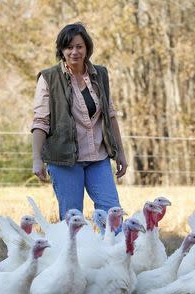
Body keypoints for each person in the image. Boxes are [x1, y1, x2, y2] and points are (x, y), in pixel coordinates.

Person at [31, 22, 128, 221]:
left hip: (98, 158)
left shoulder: (100, 74)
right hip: (65, 160)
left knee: (113, 214)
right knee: (72, 219)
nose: (74, 52)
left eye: (79, 46)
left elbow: (110, 115)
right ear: (61, 50)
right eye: (69, 47)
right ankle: (74, 252)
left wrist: (120, 153)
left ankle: (113, 251)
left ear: (87, 48)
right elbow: (41, 121)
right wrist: (36, 159)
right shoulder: (48, 78)